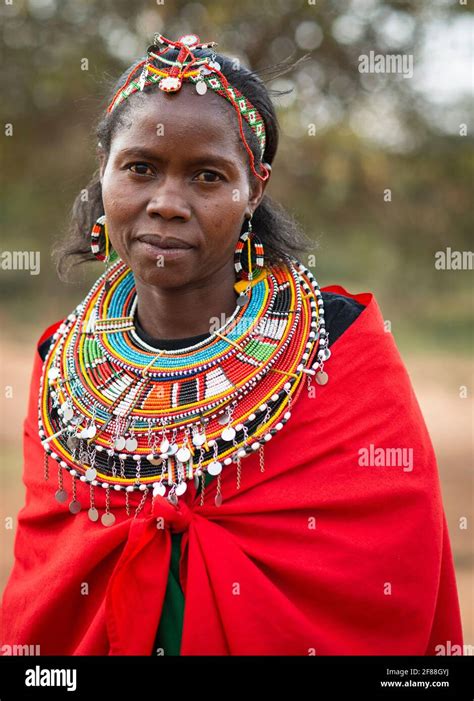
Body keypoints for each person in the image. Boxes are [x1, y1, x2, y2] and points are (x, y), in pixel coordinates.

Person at [0, 33, 463, 656]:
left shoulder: (338, 347)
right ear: (103, 173)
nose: (166, 204)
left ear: (256, 189)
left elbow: (388, 572)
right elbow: (45, 592)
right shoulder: (60, 369)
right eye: (139, 167)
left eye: (207, 176)